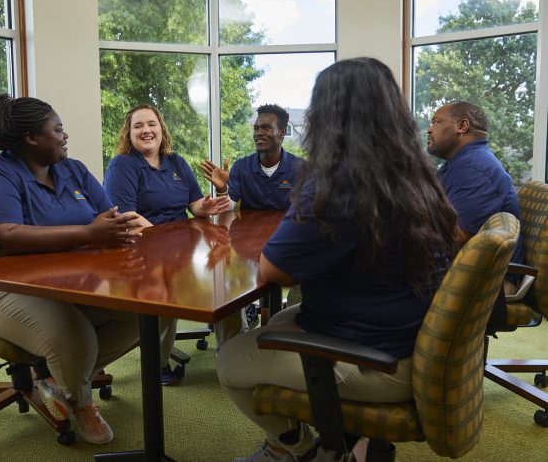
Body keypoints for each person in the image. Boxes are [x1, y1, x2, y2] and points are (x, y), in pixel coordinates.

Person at [216, 57, 458, 462]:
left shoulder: (341, 184)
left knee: (229, 361)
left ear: (326, 117)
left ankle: (296, 448)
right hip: (405, 338)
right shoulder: (416, 174)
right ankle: (328, 439)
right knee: (277, 322)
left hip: (372, 360)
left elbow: (274, 269)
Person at [0, 92, 144, 445]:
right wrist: (88, 232)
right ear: (31, 137)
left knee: (142, 312)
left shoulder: (72, 170)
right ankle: (80, 402)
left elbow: (108, 220)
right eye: (58, 129)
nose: (65, 135)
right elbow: (0, 238)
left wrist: (112, 231)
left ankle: (60, 379)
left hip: (62, 284)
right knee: (75, 336)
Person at [103, 103, 229, 385]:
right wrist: (165, 238)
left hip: (180, 245)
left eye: (152, 124)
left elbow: (193, 204)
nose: (146, 130)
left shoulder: (176, 162)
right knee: (164, 289)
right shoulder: (122, 165)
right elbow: (127, 218)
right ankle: (157, 363)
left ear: (162, 129)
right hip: (141, 249)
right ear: (129, 133)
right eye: (138, 126)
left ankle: (231, 354)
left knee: (225, 276)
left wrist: (205, 205)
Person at [200, 104, 303, 344]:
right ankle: (233, 346)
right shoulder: (242, 167)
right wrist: (223, 188)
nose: (258, 132)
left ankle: (293, 342)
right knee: (222, 283)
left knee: (308, 281)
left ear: (282, 132)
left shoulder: (301, 169)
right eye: (256, 128)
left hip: (287, 245)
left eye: (266, 127)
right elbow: (229, 203)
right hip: (247, 248)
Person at [426, 101, 524, 292]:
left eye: (436, 122)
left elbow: (456, 240)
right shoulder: (460, 164)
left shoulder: (474, 169)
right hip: (466, 269)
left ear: (462, 126)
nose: (429, 130)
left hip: (488, 281)